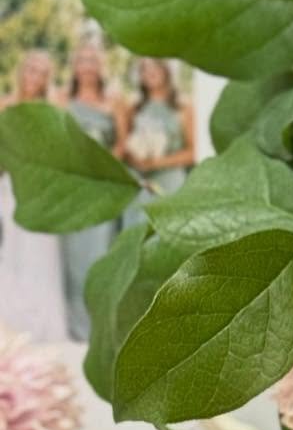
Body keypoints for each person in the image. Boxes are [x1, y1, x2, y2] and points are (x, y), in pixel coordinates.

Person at [58, 40, 127, 341]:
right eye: (82, 60)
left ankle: (102, 328)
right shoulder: (61, 100)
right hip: (73, 190)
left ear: (101, 67)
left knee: (101, 255)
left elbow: (122, 144)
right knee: (73, 260)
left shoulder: (113, 103)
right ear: (75, 67)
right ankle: (76, 329)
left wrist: (105, 170)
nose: (87, 66)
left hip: (104, 189)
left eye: (92, 60)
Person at [0, 50, 69, 344]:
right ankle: (10, 321)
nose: (34, 76)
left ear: (46, 80)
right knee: (10, 250)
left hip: (40, 189)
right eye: (31, 69)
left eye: (41, 72)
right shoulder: (4, 105)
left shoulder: (52, 110)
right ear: (21, 71)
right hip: (8, 186)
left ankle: (43, 324)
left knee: (40, 252)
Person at [120, 57, 192, 231]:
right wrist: (136, 159)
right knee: (136, 232)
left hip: (170, 182)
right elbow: (125, 147)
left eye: (155, 66)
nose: (150, 72)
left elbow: (192, 151)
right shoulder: (133, 108)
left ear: (166, 70)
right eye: (144, 68)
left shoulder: (183, 107)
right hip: (140, 183)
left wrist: (157, 163)